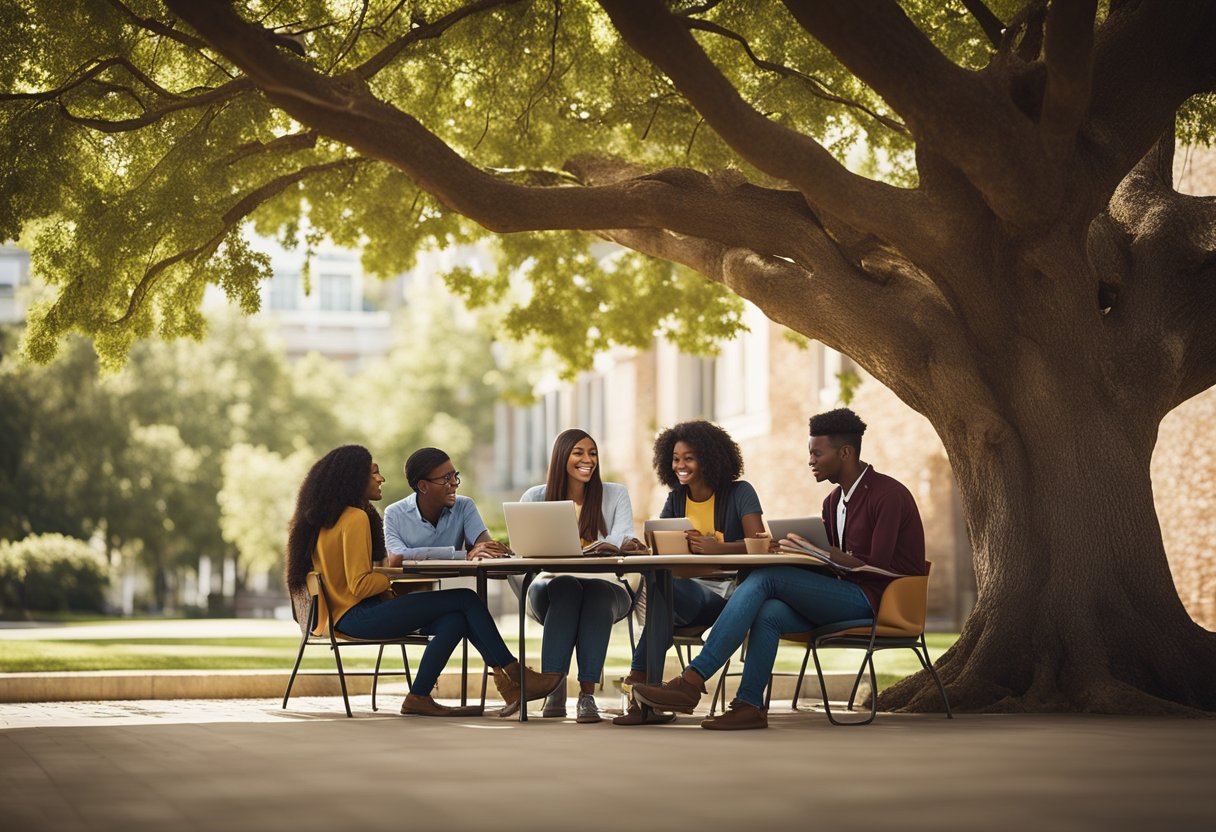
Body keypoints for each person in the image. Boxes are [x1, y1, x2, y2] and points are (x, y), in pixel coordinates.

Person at [630, 408, 926, 730]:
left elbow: (877, 568)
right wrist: (807, 553)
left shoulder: (888, 495)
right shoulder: (831, 502)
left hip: (878, 600)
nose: (810, 460)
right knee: (768, 611)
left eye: (816, 453)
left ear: (845, 452)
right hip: (840, 594)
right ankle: (750, 705)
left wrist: (820, 552)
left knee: (766, 577)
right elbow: (832, 563)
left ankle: (691, 681)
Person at [284, 444, 562, 717]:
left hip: (339, 617)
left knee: (455, 619)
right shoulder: (355, 518)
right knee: (465, 599)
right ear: (353, 478)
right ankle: (517, 677)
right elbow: (360, 585)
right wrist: (389, 578)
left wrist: (386, 574)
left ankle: (419, 696)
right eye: (374, 473)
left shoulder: (326, 520)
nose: (381, 478)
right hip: (356, 615)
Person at [614, 419, 765, 726]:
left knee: (661, 593)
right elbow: (662, 547)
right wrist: (642, 549)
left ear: (710, 458)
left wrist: (717, 549)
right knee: (659, 585)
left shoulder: (740, 493)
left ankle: (641, 688)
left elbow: (760, 545)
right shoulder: (676, 499)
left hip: (729, 594)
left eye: (689, 458)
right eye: (676, 459)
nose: (681, 465)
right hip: (684, 593)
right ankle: (649, 693)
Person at [512, 429, 647, 723]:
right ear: (562, 457)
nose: (588, 460)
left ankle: (586, 696)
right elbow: (522, 548)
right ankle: (554, 685)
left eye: (593, 453)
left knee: (595, 591)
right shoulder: (535, 497)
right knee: (566, 585)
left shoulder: (615, 494)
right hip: (550, 590)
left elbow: (622, 536)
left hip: (608, 589)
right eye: (579, 453)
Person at [382, 447, 511, 564]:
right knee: (467, 592)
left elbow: (487, 549)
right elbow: (396, 557)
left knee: (468, 592)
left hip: (452, 584)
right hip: (413, 588)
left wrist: (496, 550)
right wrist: (460, 555)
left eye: (455, 476)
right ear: (423, 486)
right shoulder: (394, 513)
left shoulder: (464, 506)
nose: (455, 483)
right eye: (446, 478)